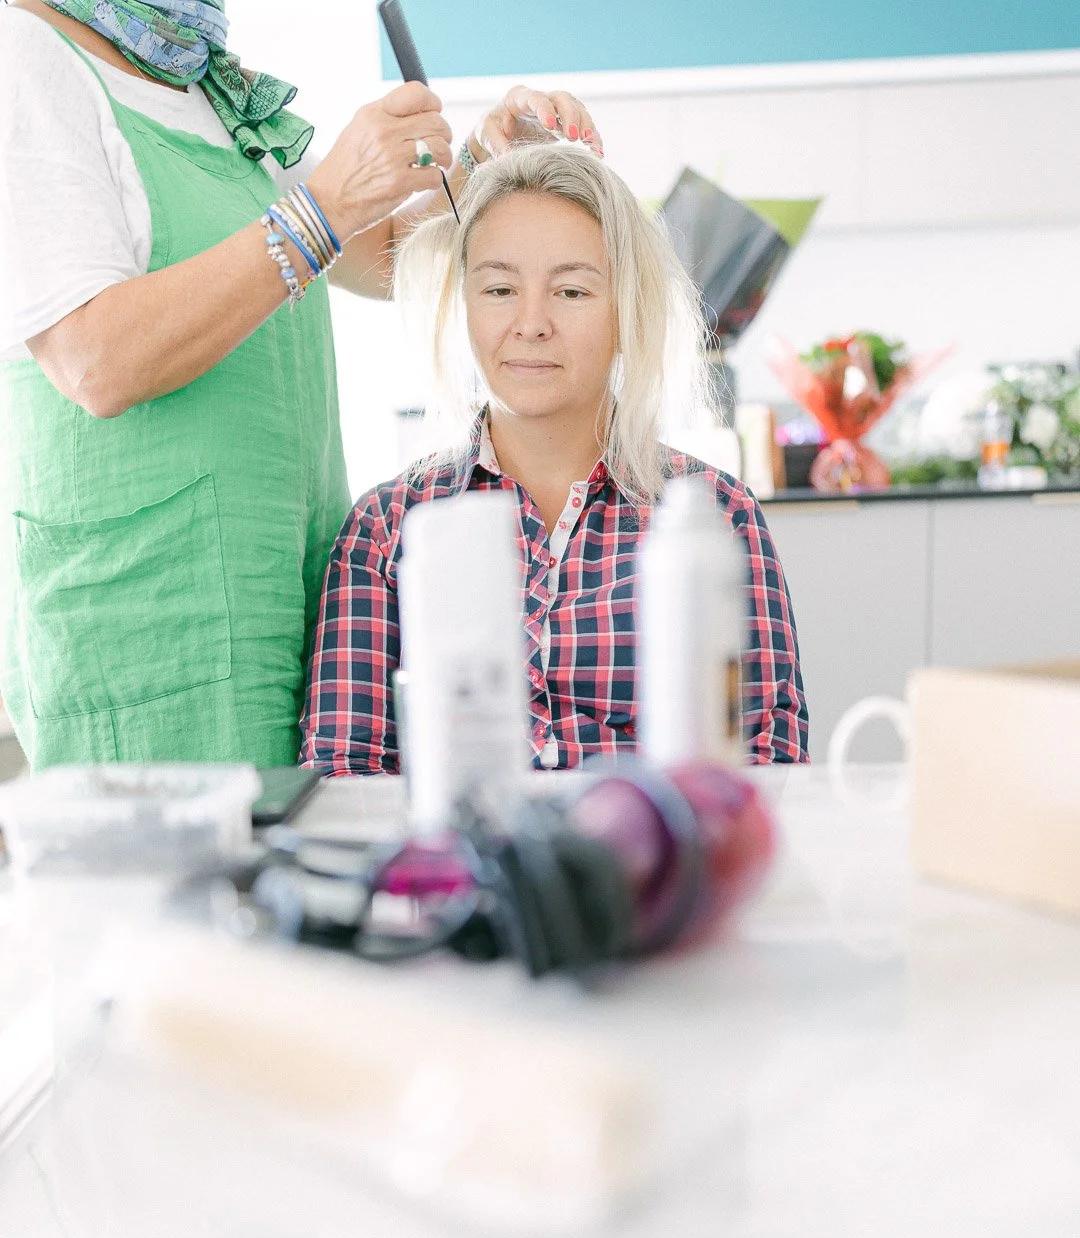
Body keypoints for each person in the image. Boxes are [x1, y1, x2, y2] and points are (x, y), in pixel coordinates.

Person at [0, 0, 603, 769]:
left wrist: (486, 166)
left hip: (291, 600)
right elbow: (92, 358)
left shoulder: (204, 85)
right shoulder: (26, 53)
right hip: (153, 622)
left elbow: (383, 255)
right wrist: (326, 206)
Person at [300, 144, 808, 775]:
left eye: (571, 290)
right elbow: (344, 777)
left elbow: (765, 764)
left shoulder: (716, 517)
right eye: (498, 288)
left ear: (626, 312)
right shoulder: (385, 529)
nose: (531, 322)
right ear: (464, 307)